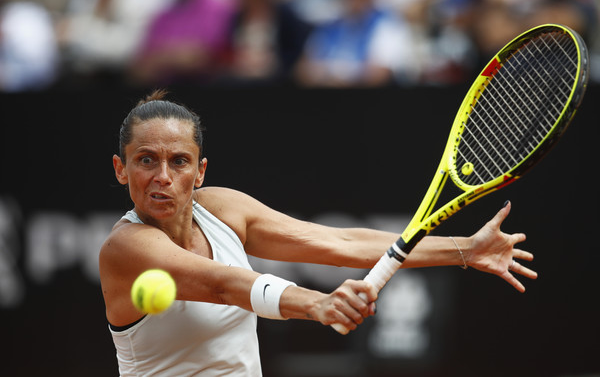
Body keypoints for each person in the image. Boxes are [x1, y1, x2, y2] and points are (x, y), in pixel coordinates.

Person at [99, 89, 537, 376]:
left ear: (200, 171)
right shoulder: (126, 247)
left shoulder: (223, 209)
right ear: (121, 169)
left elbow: (338, 243)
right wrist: (317, 303)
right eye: (145, 160)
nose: (162, 176)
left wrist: (466, 248)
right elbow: (223, 284)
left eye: (178, 161)